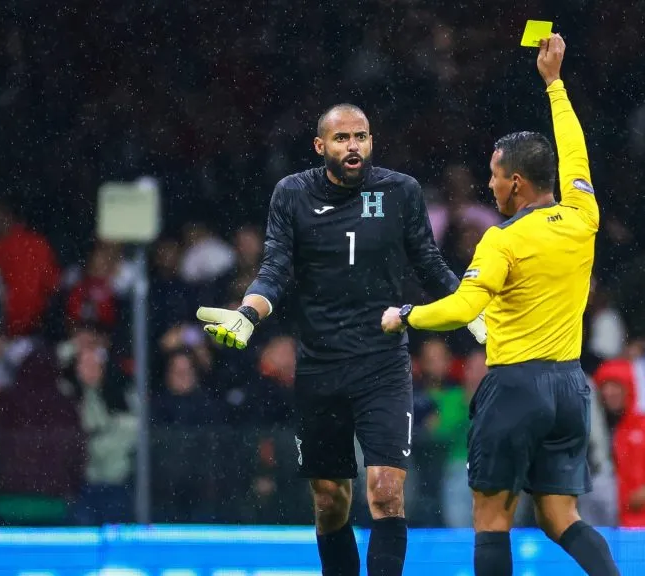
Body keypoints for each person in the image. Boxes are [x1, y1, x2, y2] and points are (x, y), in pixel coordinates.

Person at [196, 102, 486, 575]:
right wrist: (248, 315)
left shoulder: (401, 191)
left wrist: (469, 311)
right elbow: (274, 270)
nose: (353, 146)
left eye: (361, 137)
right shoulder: (291, 193)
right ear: (320, 146)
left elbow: (429, 264)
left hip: (383, 365)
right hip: (320, 367)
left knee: (387, 493)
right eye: (342, 138)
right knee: (330, 499)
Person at [380, 35, 618, 576]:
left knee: (491, 518)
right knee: (562, 516)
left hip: (514, 387)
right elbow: (574, 150)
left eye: (493, 174)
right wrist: (554, 84)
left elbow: (463, 308)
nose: (488, 184)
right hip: (568, 388)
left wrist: (407, 316)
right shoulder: (584, 216)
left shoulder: (502, 241)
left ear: (515, 182)